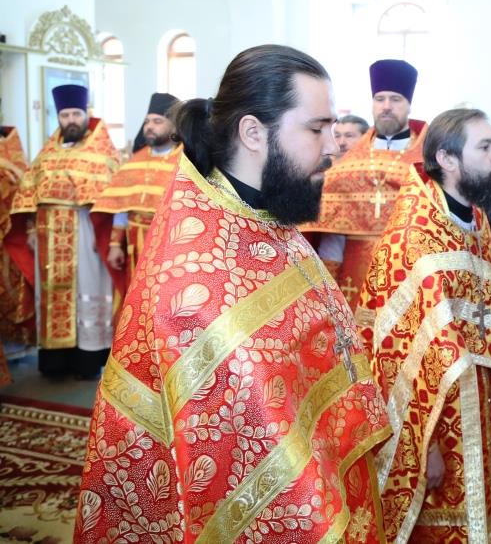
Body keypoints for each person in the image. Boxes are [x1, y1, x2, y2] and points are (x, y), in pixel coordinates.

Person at [74, 44, 390, 542]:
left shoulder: (263, 217)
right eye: (316, 129)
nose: (333, 146)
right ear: (253, 132)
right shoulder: (199, 290)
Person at [357, 108, 491, 542]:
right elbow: (397, 362)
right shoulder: (414, 236)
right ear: (447, 159)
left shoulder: (474, 219)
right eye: (485, 147)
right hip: (435, 419)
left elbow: (486, 306)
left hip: (477, 399)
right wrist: (423, 448)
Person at [304, 59, 426, 339]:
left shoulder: (426, 159)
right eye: (380, 99)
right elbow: (333, 235)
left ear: (408, 105)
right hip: (354, 277)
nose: (386, 106)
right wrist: (328, 289)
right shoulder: (347, 165)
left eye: (395, 99)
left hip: (410, 270)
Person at [5, 85, 119, 380]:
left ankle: (87, 362)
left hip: (84, 230)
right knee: (51, 296)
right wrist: (31, 228)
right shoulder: (47, 152)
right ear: (59, 117)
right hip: (47, 234)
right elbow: (29, 193)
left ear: (86, 115)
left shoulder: (102, 151)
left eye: (76, 114)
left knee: (86, 292)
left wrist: (104, 235)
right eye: (65, 115)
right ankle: (55, 364)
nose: (71, 120)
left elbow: (112, 197)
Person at [91, 92, 182, 309]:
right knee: (135, 297)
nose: (149, 126)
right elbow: (121, 206)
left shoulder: (185, 161)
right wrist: (115, 245)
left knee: (163, 300)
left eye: (157, 121)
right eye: (147, 121)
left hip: (169, 244)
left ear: (174, 126)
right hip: (135, 244)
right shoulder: (135, 161)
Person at [0, 111, 33, 367]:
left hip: (9, 234)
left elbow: (24, 188)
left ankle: (13, 346)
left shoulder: (11, 148)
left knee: (9, 289)